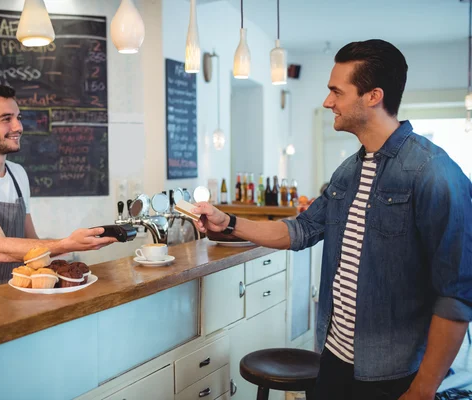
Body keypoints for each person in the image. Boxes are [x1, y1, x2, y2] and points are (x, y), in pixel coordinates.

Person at [193, 39, 472, 400]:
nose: (327, 102)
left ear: (373, 96)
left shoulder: (435, 173)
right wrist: (228, 222)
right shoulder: (348, 172)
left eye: (336, 92)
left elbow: (456, 297)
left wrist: (422, 390)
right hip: (333, 361)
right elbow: (301, 229)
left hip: (394, 375)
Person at [0, 85, 117, 300]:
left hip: (9, 299)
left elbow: (33, 246)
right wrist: (66, 243)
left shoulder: (18, 174)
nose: (18, 126)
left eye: (18, 117)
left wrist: (71, 252)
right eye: (6, 119)